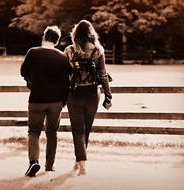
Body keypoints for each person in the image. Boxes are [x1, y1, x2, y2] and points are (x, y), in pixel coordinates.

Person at [64, 20, 112, 175]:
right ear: (91, 34)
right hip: (92, 95)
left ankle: (81, 164)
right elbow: (103, 75)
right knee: (86, 130)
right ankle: (80, 161)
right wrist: (108, 96)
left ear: (75, 34)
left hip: (74, 95)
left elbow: (64, 76)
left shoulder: (69, 51)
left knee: (78, 130)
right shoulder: (98, 51)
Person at [21, 26, 70, 177]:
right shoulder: (62, 57)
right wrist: (63, 101)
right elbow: (66, 81)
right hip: (56, 102)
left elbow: (23, 72)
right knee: (52, 133)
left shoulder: (33, 52)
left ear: (44, 37)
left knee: (33, 132)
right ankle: (50, 166)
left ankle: (33, 162)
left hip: (37, 99)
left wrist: (31, 82)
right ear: (57, 40)